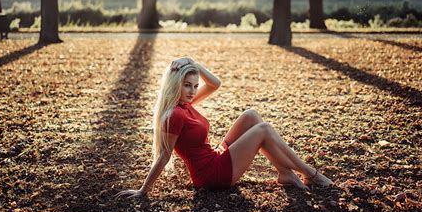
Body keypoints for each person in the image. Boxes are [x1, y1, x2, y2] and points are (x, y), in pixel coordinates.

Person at [114, 57, 333, 199]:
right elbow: (163, 155)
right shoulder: (175, 115)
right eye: (186, 85)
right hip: (212, 175)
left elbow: (215, 84)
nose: (191, 91)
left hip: (215, 156)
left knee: (251, 115)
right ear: (175, 85)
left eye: (194, 86)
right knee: (263, 129)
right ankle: (310, 173)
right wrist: (143, 191)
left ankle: (285, 173)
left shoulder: (184, 104)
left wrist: (195, 65)